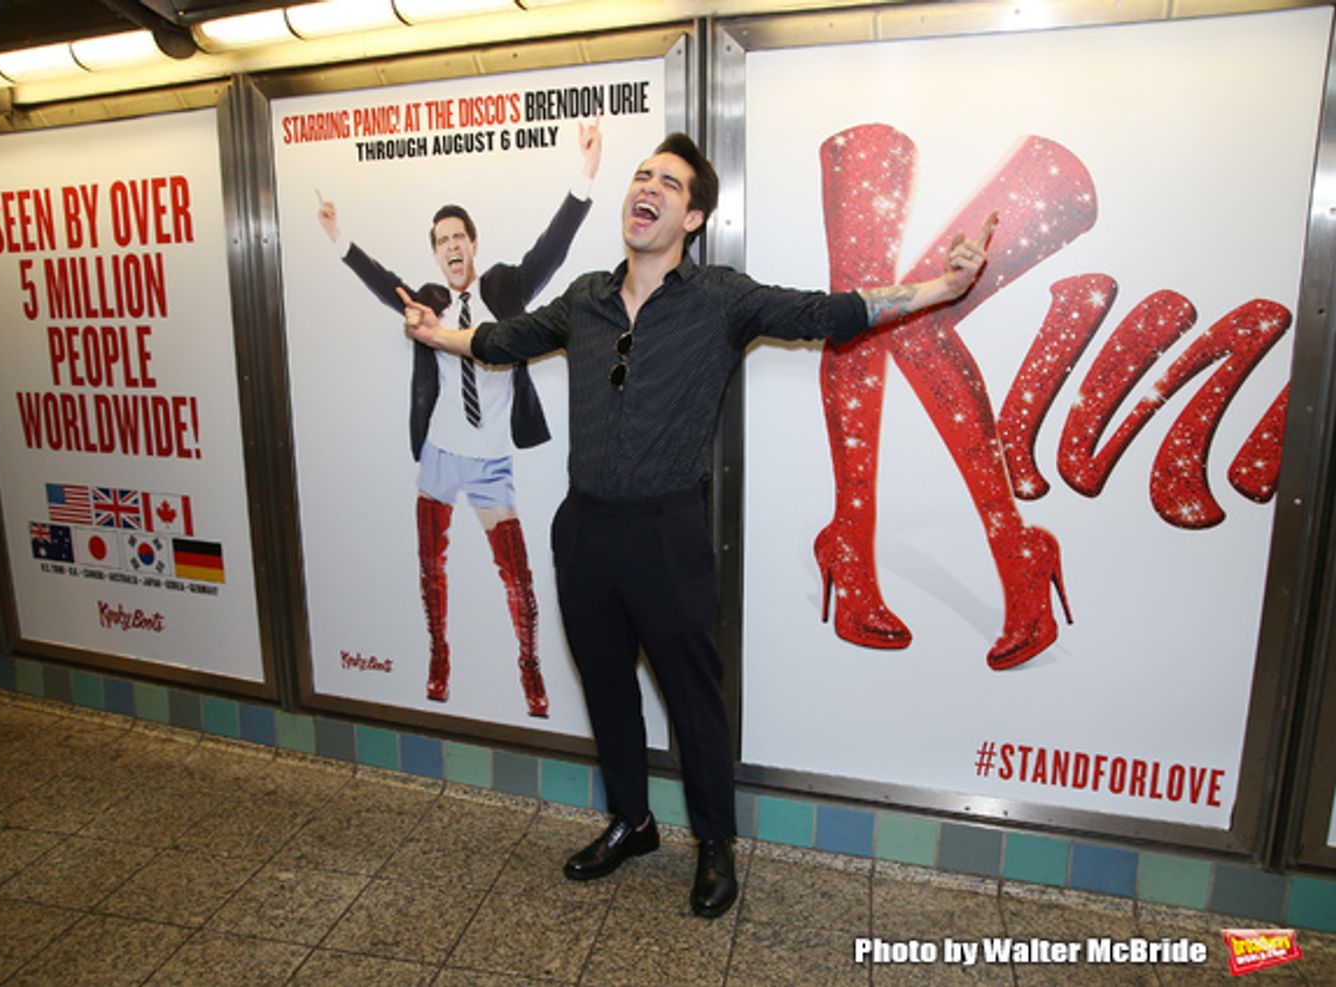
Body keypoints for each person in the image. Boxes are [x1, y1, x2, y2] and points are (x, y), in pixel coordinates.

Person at [397, 132, 994, 917]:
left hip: (669, 532)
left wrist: (941, 289)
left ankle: (714, 845)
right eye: (642, 176)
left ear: (693, 215)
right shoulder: (585, 297)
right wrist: (432, 331)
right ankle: (631, 822)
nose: (648, 187)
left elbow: (832, 311)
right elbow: (501, 340)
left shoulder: (720, 297)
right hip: (585, 530)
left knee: (692, 699)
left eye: (668, 183)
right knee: (606, 686)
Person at [316, 119, 603, 717]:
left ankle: (530, 670)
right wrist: (340, 237)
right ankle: (438, 658)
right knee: (430, 570)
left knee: (517, 575)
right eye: (441, 239)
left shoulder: (503, 288)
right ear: (436, 251)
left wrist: (585, 176)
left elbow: (551, 250)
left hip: (493, 459)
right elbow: (384, 286)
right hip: (441, 456)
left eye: (458, 237)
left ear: (473, 244)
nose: (451, 246)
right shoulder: (428, 302)